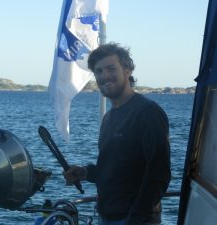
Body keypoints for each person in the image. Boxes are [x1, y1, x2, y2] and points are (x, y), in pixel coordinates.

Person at [63, 43, 171, 225]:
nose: (104, 76)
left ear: (127, 70)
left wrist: (135, 220)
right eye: (98, 71)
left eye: (111, 68)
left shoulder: (147, 112)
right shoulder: (109, 117)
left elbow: (160, 174)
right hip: (107, 216)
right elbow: (114, 169)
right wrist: (85, 172)